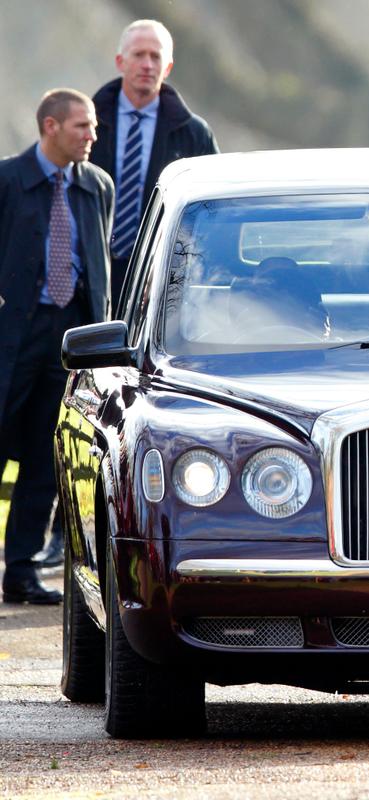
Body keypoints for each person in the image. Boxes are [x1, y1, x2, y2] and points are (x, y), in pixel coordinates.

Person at [0, 89, 114, 604]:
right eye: (82, 126)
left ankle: (21, 571)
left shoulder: (97, 186)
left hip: (70, 339)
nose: (92, 135)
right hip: (12, 335)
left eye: (93, 126)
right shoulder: (8, 181)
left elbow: (98, 264)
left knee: (47, 458)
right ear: (51, 126)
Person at [91, 19, 218, 304]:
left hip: (161, 279)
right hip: (92, 273)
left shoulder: (193, 133)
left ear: (168, 67)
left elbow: (211, 211)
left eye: (156, 56)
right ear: (120, 62)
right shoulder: (86, 125)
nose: (147, 65)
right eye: (139, 55)